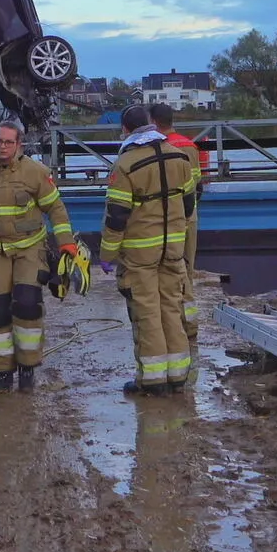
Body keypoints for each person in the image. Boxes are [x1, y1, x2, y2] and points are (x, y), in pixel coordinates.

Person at [0, 118, 78, 394]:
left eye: (8, 142)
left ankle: (27, 367)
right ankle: (3, 372)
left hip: (29, 248)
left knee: (27, 305)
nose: (2, 146)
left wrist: (66, 244)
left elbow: (56, 210)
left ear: (19, 144)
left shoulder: (36, 172)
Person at [100, 104, 199, 397]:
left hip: (140, 254)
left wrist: (106, 257)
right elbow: (189, 204)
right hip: (173, 249)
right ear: (152, 125)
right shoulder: (179, 157)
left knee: (147, 314)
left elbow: (116, 218)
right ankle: (178, 376)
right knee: (171, 306)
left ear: (126, 130)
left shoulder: (125, 165)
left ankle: (153, 381)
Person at [149, 103, 205, 380]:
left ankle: (172, 326)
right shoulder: (189, 146)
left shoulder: (156, 149)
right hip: (188, 217)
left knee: (169, 273)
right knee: (187, 269)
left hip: (164, 221)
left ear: (153, 121)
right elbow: (196, 186)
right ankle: (190, 325)